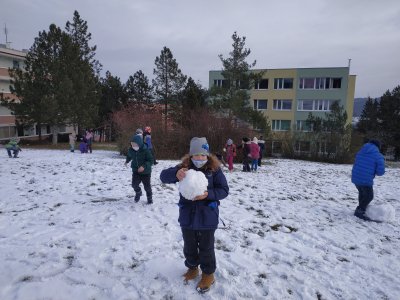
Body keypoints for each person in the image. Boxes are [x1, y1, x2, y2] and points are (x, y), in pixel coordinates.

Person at [160, 137, 229, 293]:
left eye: (203, 155)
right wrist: (176, 173)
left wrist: (208, 194)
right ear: (191, 156)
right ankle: (192, 268)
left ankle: (208, 274)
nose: (200, 158)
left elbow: (224, 190)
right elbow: (163, 176)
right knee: (189, 246)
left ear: (208, 155)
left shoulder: (214, 170)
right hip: (188, 217)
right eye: (197, 155)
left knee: (206, 248)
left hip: (207, 217)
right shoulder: (184, 168)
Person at [351, 139, 385, 221]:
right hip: (365, 179)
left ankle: (361, 209)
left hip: (356, 178)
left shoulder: (360, 152)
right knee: (369, 196)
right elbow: (380, 172)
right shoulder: (378, 156)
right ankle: (360, 210)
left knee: (363, 194)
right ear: (378, 146)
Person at [125, 134, 153, 204]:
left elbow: (151, 160)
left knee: (147, 187)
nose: (134, 146)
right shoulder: (131, 150)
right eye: (132, 145)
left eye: (135, 145)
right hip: (136, 171)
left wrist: (143, 166)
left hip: (146, 172)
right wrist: (127, 161)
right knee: (134, 185)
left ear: (140, 144)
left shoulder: (146, 150)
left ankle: (149, 198)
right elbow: (129, 155)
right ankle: (138, 192)